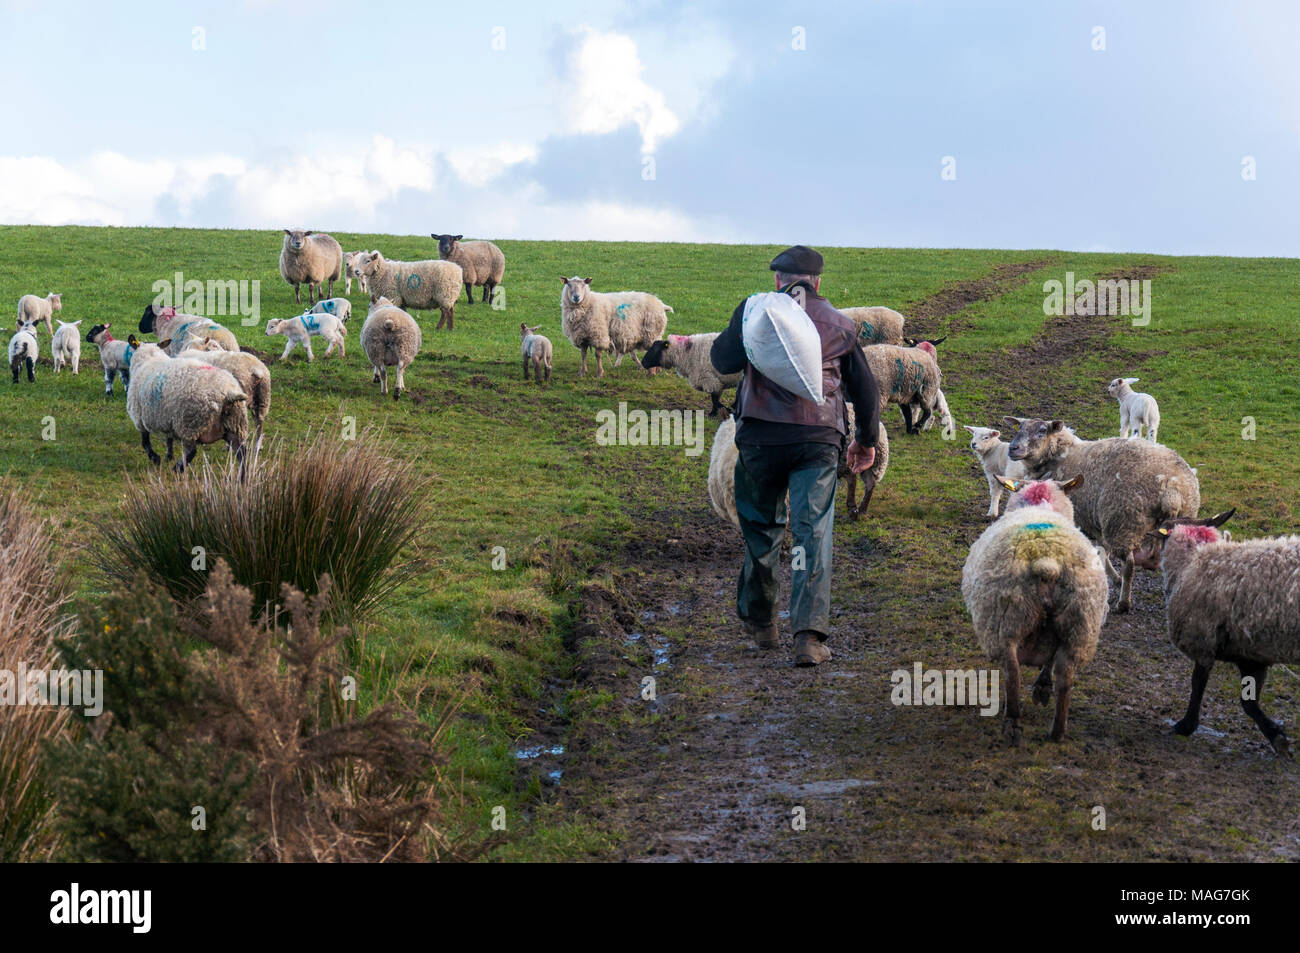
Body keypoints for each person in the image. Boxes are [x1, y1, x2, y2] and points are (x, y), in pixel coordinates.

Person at [710, 245, 880, 666]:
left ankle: (762, 622)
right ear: (818, 282)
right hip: (817, 440)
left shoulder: (754, 313)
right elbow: (866, 389)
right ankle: (807, 636)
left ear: (777, 281)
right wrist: (867, 439)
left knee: (762, 527)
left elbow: (720, 360)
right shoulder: (840, 324)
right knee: (812, 533)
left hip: (760, 438)